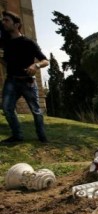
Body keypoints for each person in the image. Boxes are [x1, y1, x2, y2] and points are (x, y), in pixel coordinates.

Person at [0, 10, 49, 143]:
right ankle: (17, 135)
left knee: (36, 111)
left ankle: (42, 137)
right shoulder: (5, 41)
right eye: (2, 20)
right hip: (11, 81)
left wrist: (36, 66)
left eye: (6, 20)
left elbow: (45, 61)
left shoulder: (28, 42)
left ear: (16, 25)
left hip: (28, 82)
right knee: (7, 108)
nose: (3, 22)